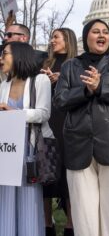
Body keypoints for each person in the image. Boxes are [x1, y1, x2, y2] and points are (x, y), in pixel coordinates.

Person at [53, 19, 109, 236]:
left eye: (105, 32)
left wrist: (101, 87)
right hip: (78, 145)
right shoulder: (70, 66)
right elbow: (60, 100)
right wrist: (85, 91)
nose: (102, 35)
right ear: (86, 36)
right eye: (96, 31)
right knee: (84, 214)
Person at [0, 42, 52, 236]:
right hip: (7, 148)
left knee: (29, 201)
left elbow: (43, 113)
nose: (1, 58)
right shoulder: (4, 84)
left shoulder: (40, 80)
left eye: (4, 53)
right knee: (5, 200)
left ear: (19, 55)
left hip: (30, 149)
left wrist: (15, 112)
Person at [41, 28, 78, 236]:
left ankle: (71, 226)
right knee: (46, 178)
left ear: (67, 40)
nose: (52, 40)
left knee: (68, 178)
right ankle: (47, 225)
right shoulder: (44, 63)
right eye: (52, 37)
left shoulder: (76, 64)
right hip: (48, 123)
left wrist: (61, 78)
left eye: (56, 37)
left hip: (69, 124)